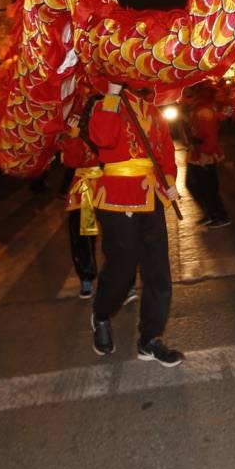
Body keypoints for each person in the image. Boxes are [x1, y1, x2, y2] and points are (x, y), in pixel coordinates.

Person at [88, 83, 183, 367]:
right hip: (117, 196)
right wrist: (112, 95)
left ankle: (150, 339)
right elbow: (102, 139)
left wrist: (168, 180)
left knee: (158, 271)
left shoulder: (152, 107)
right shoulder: (103, 101)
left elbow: (164, 148)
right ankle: (102, 313)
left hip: (150, 195)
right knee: (122, 269)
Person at [60, 102, 102, 299]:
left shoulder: (107, 119)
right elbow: (72, 162)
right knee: (85, 236)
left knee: (118, 234)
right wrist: (72, 139)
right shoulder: (74, 124)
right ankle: (87, 277)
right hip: (85, 190)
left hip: (109, 185)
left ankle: (125, 280)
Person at [183, 84, 231, 228]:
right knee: (193, 184)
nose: (183, 97)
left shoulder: (204, 110)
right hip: (196, 152)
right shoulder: (195, 109)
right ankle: (210, 213)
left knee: (209, 188)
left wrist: (205, 153)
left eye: (187, 94)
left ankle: (220, 216)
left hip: (205, 154)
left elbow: (211, 136)